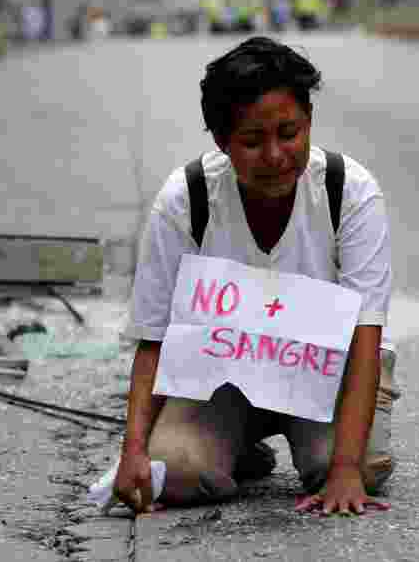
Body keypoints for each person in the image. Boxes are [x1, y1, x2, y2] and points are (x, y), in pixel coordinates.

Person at [115, 37, 397, 516]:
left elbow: (366, 335)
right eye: (251, 141)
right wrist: (133, 452)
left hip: (329, 376)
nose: (274, 155)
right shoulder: (185, 201)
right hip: (219, 382)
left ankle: (314, 450)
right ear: (221, 142)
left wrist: (347, 470)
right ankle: (237, 447)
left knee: (345, 466)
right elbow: (153, 339)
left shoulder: (348, 192)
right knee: (175, 472)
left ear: (309, 122)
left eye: (289, 133)